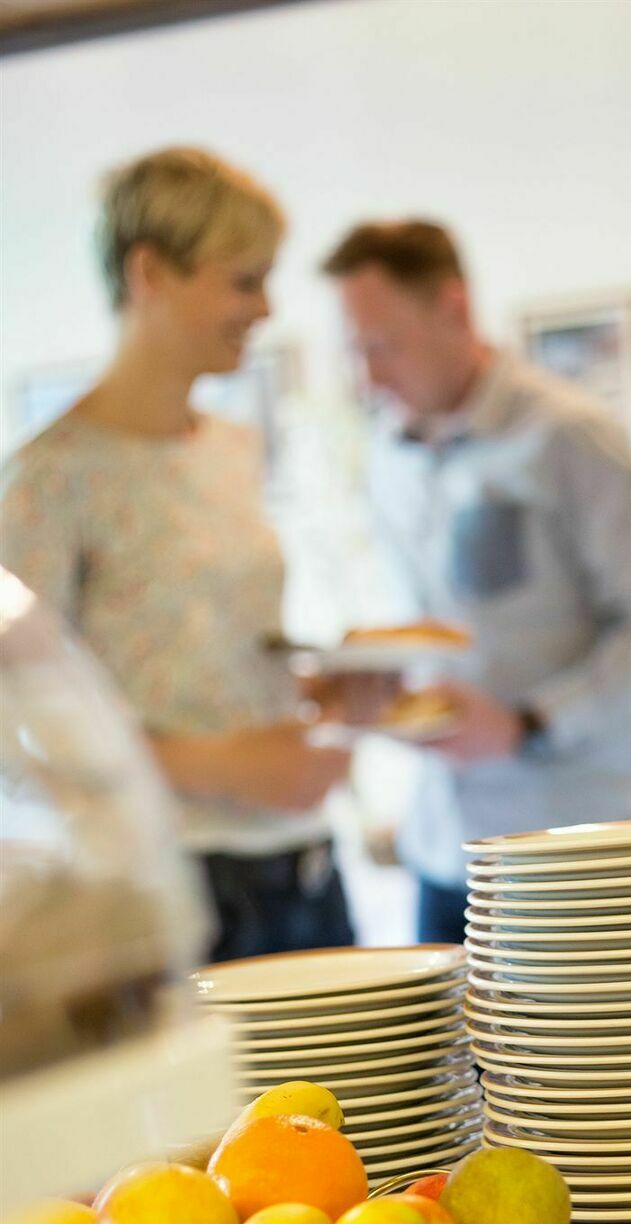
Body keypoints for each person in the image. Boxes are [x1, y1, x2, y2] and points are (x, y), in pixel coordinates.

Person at [0, 147, 362, 962]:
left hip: (303, 865)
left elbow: (202, 652)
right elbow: (16, 730)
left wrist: (325, 697)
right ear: (149, 273)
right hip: (166, 886)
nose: (266, 307)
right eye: (243, 279)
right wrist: (227, 768)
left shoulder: (234, 449)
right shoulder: (49, 479)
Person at [322, 221, 631, 943]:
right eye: (354, 353)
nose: (368, 378)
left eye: (381, 346)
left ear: (453, 310)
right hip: (443, 853)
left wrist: (528, 723)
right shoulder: (384, 453)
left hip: (576, 857)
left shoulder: (567, 435)